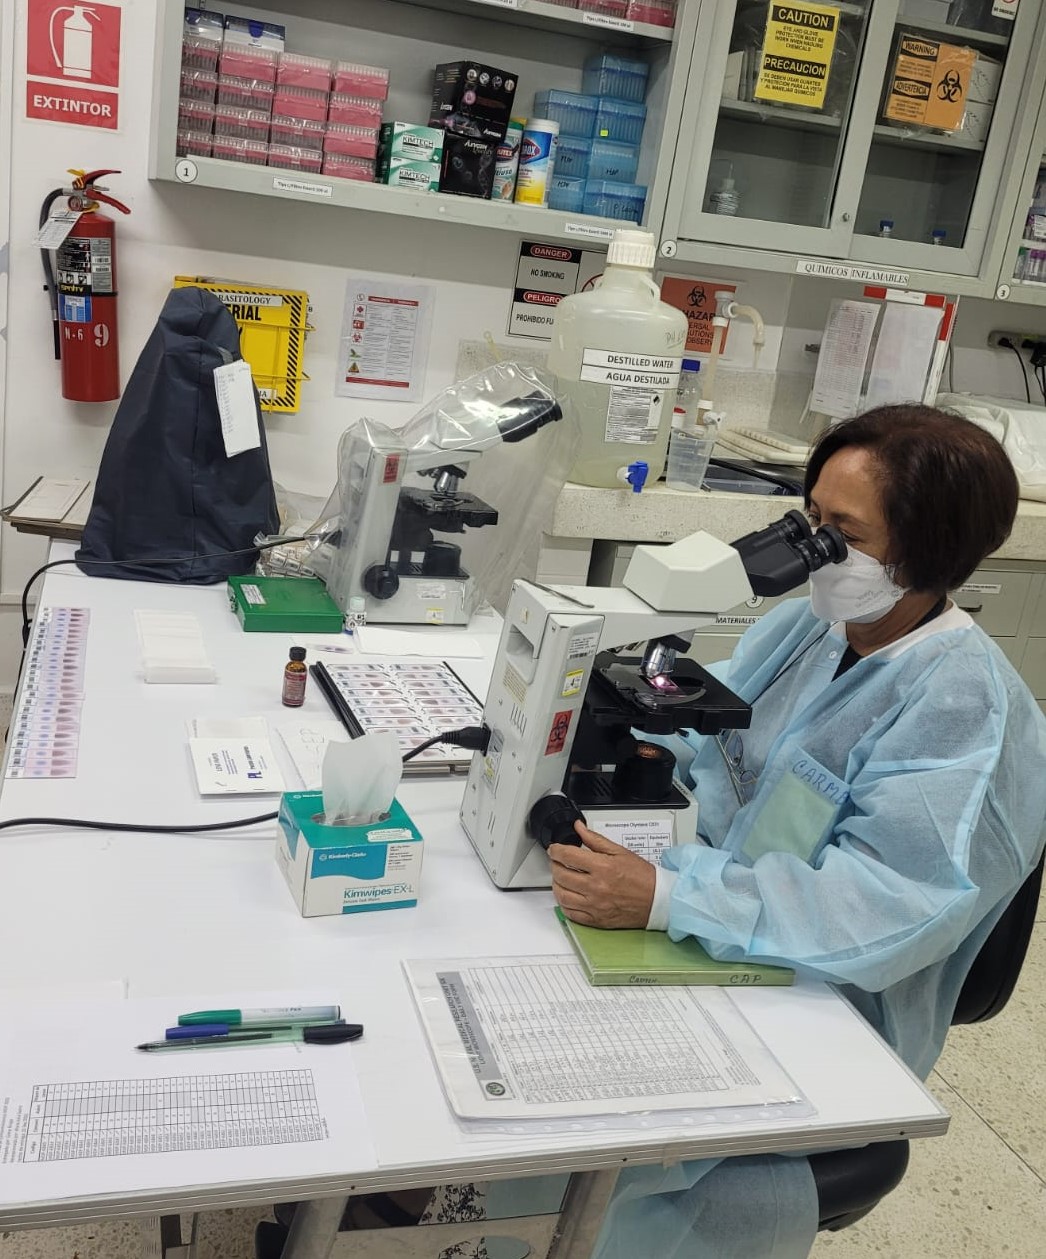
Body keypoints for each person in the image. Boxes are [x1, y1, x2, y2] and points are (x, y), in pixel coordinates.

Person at [546, 404, 1046, 1258]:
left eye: (840, 531)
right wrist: (601, 736)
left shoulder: (965, 708)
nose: (814, 546)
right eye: (811, 519)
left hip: (827, 995)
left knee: (596, 1143)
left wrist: (670, 896)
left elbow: (884, 907)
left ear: (925, 549)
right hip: (717, 926)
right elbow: (706, 725)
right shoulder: (812, 626)